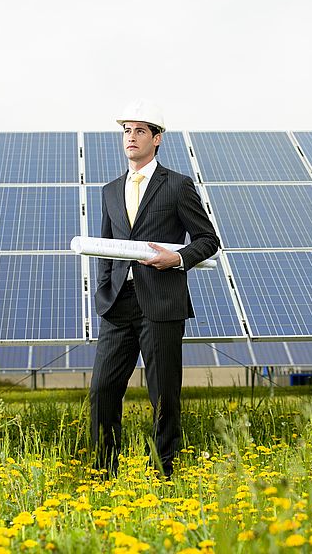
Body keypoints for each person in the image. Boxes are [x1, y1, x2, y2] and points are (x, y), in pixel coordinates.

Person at [90, 99, 220, 479]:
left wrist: (176, 259)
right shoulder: (110, 190)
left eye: (139, 131)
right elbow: (105, 246)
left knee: (163, 397)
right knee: (102, 391)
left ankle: (164, 471)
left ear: (157, 139)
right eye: (126, 131)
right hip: (117, 305)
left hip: (162, 303)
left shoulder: (177, 185)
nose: (131, 137)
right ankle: (103, 472)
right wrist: (104, 288)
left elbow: (207, 239)